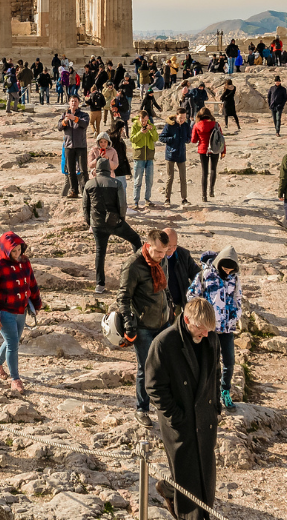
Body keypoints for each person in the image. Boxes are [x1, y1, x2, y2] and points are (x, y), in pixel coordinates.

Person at [145, 299, 222, 520]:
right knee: (187, 473)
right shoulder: (164, 343)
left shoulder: (211, 338)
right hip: (180, 421)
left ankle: (173, 491)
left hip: (205, 418)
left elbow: (215, 372)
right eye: (201, 328)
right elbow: (153, 386)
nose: (205, 334)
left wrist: (216, 406)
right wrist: (175, 416)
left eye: (209, 329)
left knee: (205, 475)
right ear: (187, 320)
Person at [117, 227, 173, 424]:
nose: (160, 256)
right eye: (157, 251)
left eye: (164, 252)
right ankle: (142, 409)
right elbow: (123, 297)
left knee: (166, 364)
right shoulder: (133, 265)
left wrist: (171, 311)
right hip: (143, 326)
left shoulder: (163, 260)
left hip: (164, 321)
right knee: (146, 367)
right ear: (147, 246)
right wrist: (128, 325)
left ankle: (163, 403)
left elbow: (164, 289)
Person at [0, 231, 43, 394]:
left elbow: (32, 283)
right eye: (13, 251)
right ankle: (15, 379)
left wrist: (37, 303)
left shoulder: (25, 262)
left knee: (13, 341)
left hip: (22, 310)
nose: (17, 254)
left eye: (19, 250)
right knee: (13, 344)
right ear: (5, 250)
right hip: (4, 312)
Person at [188, 246, 242, 408]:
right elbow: (191, 296)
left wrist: (235, 317)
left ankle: (225, 391)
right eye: (224, 268)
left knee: (229, 362)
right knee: (209, 362)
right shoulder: (204, 276)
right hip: (208, 328)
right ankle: (208, 394)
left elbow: (237, 298)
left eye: (231, 269)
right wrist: (201, 315)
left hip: (227, 328)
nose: (227, 271)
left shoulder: (235, 278)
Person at [85, 158, 139, 293]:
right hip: (115, 222)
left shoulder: (89, 184)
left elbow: (85, 207)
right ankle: (140, 272)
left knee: (100, 252)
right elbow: (122, 205)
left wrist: (90, 222)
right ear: (109, 170)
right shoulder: (116, 183)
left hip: (97, 223)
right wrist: (121, 219)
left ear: (96, 170)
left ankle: (100, 285)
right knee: (135, 239)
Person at [161, 228, 199, 318]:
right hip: (160, 306)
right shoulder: (155, 257)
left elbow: (197, 274)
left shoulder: (183, 255)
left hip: (178, 303)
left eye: (174, 246)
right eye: (169, 246)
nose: (172, 249)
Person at [189, 108, 224, 203]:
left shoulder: (197, 125)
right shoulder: (215, 124)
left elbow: (193, 140)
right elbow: (221, 138)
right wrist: (223, 151)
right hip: (214, 149)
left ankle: (204, 195)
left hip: (203, 149)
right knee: (213, 169)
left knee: (204, 172)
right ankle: (211, 190)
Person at [160, 110, 192, 205]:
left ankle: (184, 198)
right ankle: (167, 198)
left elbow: (189, 137)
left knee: (183, 177)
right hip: (170, 154)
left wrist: (187, 140)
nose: (182, 119)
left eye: (184, 117)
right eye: (180, 117)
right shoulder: (169, 125)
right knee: (170, 177)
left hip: (181, 154)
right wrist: (171, 139)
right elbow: (161, 137)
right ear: (176, 116)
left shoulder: (186, 126)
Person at [129, 112, 158, 209]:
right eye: (142, 120)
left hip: (149, 156)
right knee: (138, 180)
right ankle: (136, 201)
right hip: (139, 156)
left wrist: (151, 130)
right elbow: (132, 139)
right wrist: (140, 133)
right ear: (139, 119)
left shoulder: (151, 126)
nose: (144, 123)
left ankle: (147, 200)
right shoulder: (135, 127)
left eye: (146, 120)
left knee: (149, 179)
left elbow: (155, 138)